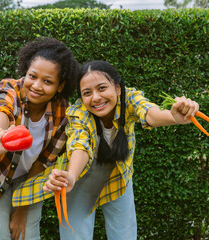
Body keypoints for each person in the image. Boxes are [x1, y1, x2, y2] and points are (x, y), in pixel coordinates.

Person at [42, 60, 200, 239]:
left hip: (119, 173)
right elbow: (80, 144)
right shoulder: (79, 113)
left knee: (125, 234)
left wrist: (173, 117)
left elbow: (149, 113)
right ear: (81, 97)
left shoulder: (129, 98)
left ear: (117, 88)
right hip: (80, 176)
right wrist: (70, 176)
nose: (95, 98)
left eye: (102, 88)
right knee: (75, 235)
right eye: (87, 93)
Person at [0, 37, 80, 240]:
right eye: (32, 76)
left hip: (31, 178)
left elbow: (43, 161)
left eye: (47, 81)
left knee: (28, 234)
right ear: (25, 71)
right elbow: (1, 109)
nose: (37, 86)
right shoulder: (6, 88)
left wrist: (22, 209)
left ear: (60, 86)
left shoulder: (63, 112)